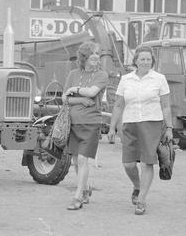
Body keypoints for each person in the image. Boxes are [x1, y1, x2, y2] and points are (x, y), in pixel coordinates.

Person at [106, 46, 173, 215]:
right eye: (142, 59)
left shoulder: (159, 79)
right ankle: (137, 186)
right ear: (136, 61)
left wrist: (170, 127)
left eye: (148, 59)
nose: (145, 62)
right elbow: (119, 104)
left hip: (152, 124)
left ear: (152, 61)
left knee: (146, 162)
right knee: (128, 164)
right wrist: (112, 126)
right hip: (130, 123)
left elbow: (165, 106)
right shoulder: (126, 79)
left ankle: (141, 200)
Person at [62, 41, 108, 210]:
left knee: (82, 159)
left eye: (98, 53)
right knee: (75, 160)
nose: (96, 56)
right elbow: (64, 99)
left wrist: (74, 89)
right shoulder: (73, 73)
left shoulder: (101, 75)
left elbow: (92, 92)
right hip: (73, 124)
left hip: (91, 123)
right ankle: (86, 189)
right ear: (84, 57)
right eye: (93, 53)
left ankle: (77, 196)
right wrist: (80, 99)